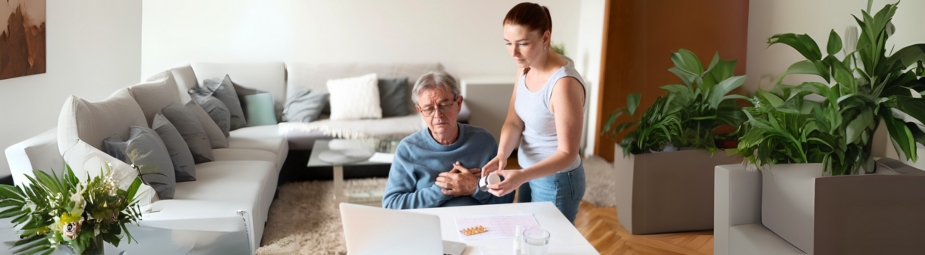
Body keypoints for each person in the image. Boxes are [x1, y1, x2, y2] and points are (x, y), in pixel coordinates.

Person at [481, 2, 587, 223]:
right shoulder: (524, 68)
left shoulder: (563, 84)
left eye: (523, 44)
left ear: (545, 38)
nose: (514, 53)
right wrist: (502, 155)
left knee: (551, 244)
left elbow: (568, 152)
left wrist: (521, 176)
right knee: (527, 235)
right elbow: (514, 121)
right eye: (508, 43)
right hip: (527, 172)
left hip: (557, 180)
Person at [382, 71, 516, 209]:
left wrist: (475, 187)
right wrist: (442, 189)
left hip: (478, 223)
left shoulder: (484, 141)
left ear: (458, 104)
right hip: (431, 224)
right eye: (428, 109)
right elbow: (391, 205)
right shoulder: (408, 149)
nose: (438, 115)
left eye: (444, 105)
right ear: (420, 111)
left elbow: (507, 197)